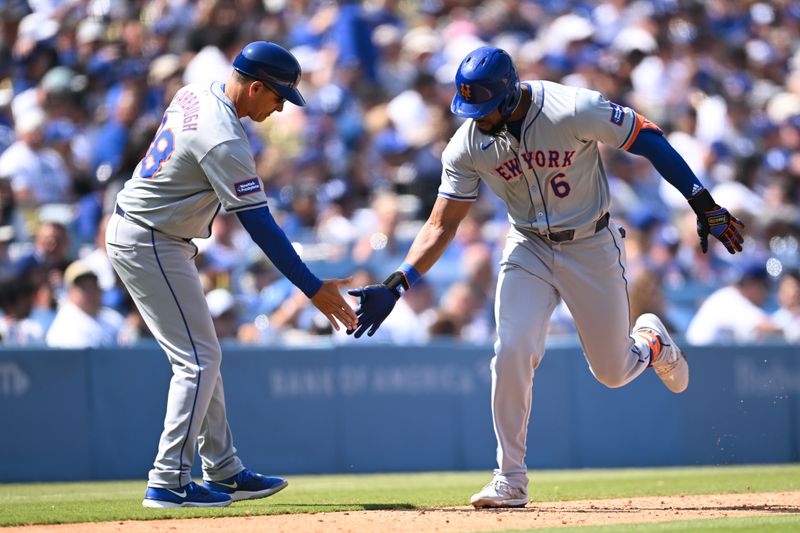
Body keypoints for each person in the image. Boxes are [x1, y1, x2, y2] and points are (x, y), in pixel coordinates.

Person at [347, 46, 745, 508]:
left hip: (591, 244)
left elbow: (649, 137)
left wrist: (703, 202)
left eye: (484, 107)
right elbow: (442, 223)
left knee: (613, 372)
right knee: (511, 350)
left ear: (510, 93)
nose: (476, 118)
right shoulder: (468, 144)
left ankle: (651, 342)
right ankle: (509, 478)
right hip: (528, 246)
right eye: (469, 109)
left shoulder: (572, 106)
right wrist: (399, 282)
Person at [105, 41, 357, 509]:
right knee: (197, 362)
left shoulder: (197, 90)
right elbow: (259, 224)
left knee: (205, 356)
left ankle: (222, 469)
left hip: (153, 232)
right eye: (278, 96)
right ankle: (168, 481)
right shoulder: (223, 136)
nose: (281, 106)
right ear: (255, 86)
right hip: (151, 239)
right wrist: (312, 288)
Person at [45, 260, 124, 348]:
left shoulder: (113, 317)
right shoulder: (65, 325)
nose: (91, 292)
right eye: (84, 288)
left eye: (93, 286)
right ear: (70, 292)